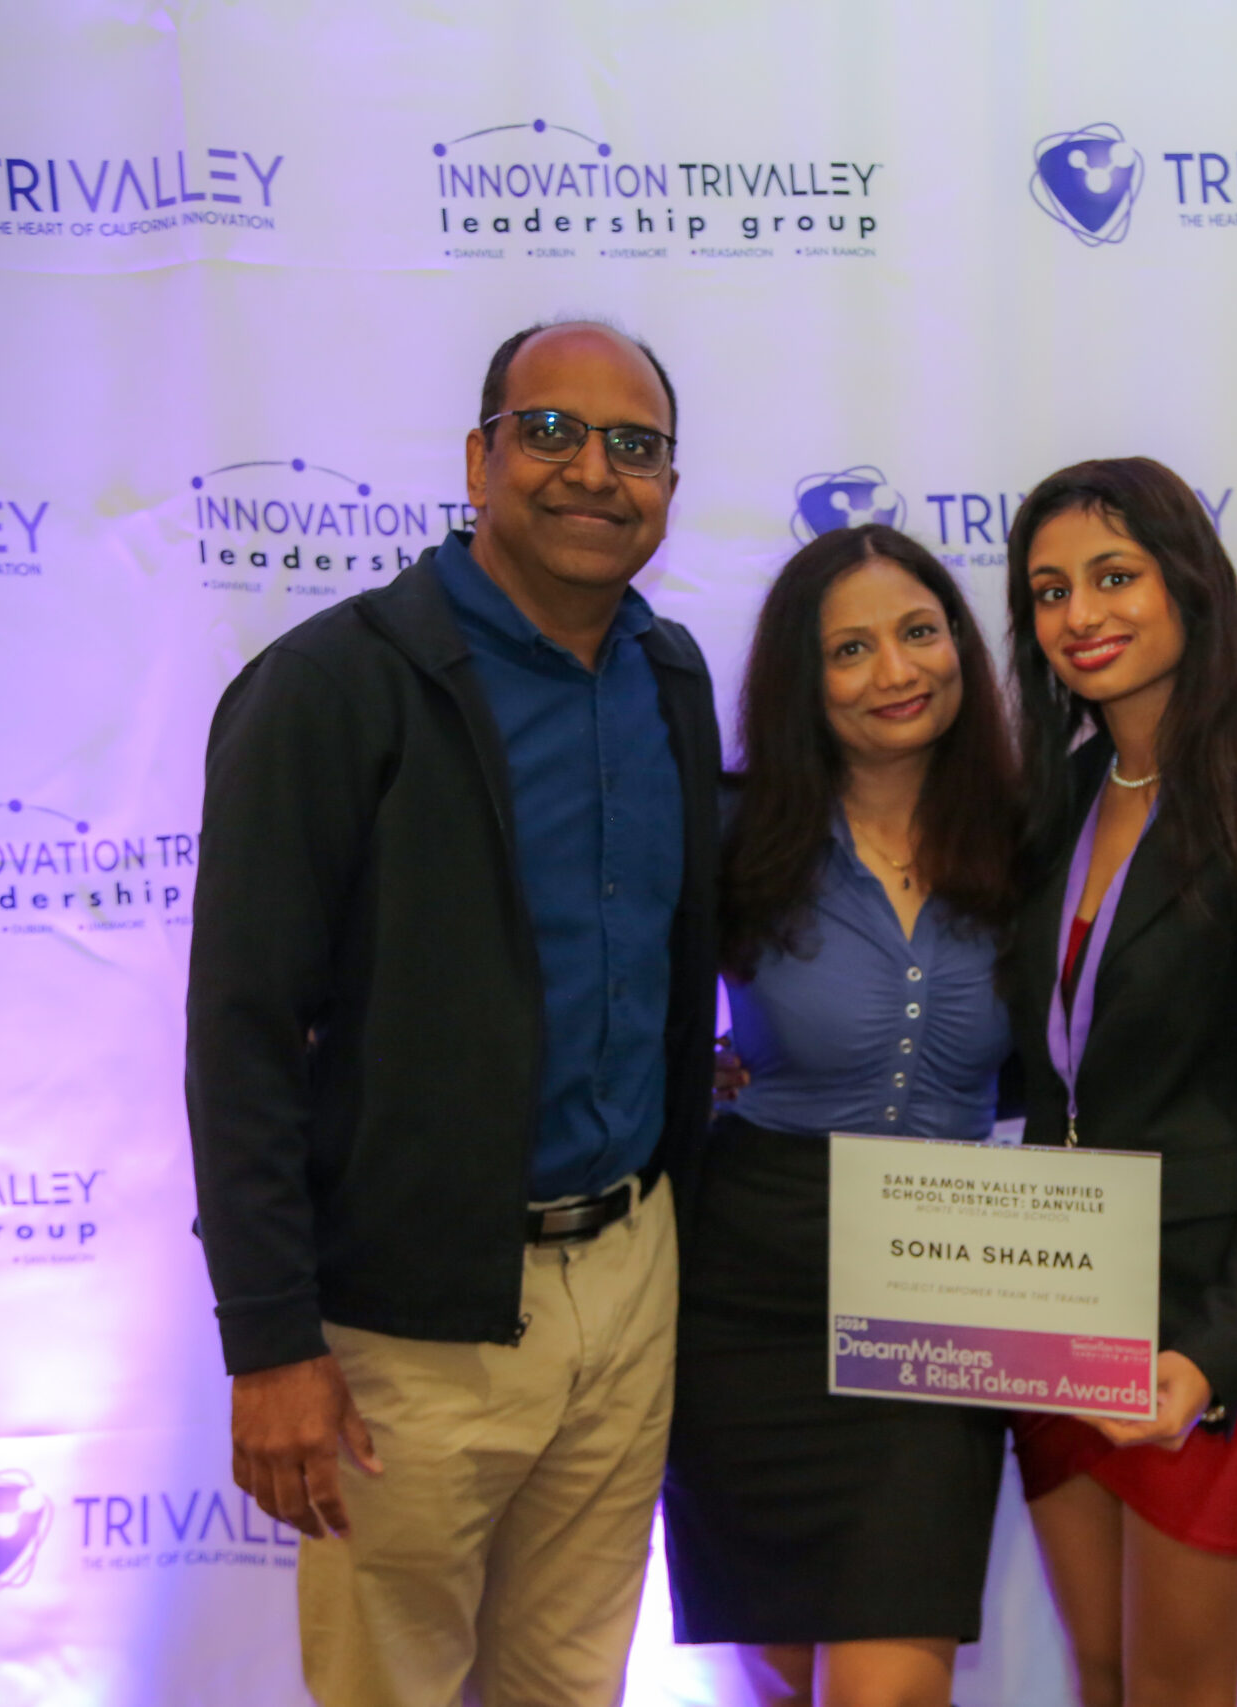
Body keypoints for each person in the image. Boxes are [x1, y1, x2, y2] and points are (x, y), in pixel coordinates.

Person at [186, 320, 719, 1707]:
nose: (593, 471)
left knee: (571, 1682)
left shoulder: (670, 679)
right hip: (407, 1325)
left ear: (669, 486)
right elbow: (241, 1036)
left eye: (635, 446)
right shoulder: (330, 687)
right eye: (550, 432)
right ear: (478, 460)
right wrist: (271, 1342)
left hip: (629, 1281)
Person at [1000, 457, 1237, 1707]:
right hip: (1053, 1318)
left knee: (1175, 1693)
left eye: (1114, 577)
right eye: (1049, 590)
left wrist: (1211, 1355)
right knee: (1100, 1681)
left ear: (1188, 588)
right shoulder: (1042, 809)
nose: (1079, 615)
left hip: (1200, 1336)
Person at [663, 524, 1023, 1707]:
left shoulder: (1034, 835)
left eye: (919, 633)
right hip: (748, 1286)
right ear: (801, 681)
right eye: (850, 650)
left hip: (942, 1277)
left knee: (889, 1681)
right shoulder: (729, 828)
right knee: (779, 1675)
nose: (895, 672)